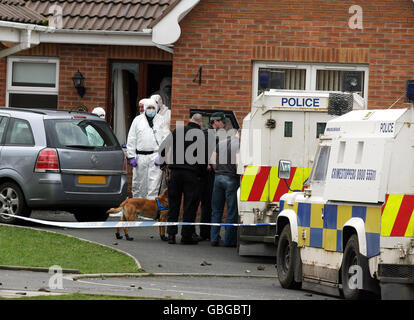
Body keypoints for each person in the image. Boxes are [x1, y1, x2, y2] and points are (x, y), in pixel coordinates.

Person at [164, 113, 205, 245]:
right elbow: (202, 158)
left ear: (189, 120)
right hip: (191, 173)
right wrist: (201, 174)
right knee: (190, 205)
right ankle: (186, 236)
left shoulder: (177, 131)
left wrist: (167, 166)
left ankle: (171, 234)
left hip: (175, 172)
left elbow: (167, 149)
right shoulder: (201, 135)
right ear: (200, 123)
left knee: (173, 204)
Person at [194, 112, 227, 241]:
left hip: (207, 173)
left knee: (207, 203)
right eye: (223, 122)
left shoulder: (208, 134)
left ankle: (205, 232)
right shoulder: (209, 135)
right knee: (208, 203)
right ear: (216, 122)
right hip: (207, 174)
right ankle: (206, 232)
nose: (224, 125)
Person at [126, 98, 168, 199]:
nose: (151, 110)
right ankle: (138, 208)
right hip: (140, 157)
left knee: (153, 186)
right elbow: (132, 138)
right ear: (145, 108)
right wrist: (131, 156)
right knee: (139, 184)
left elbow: (166, 138)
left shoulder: (161, 120)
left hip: (155, 156)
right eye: (148, 108)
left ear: (156, 108)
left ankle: (149, 212)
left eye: (153, 107)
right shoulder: (137, 120)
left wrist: (162, 155)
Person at [210, 129, 240, 247]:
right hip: (231, 179)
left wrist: (217, 169)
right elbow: (238, 163)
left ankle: (214, 238)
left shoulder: (221, 142)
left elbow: (212, 159)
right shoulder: (239, 144)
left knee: (216, 210)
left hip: (218, 178)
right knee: (232, 211)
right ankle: (229, 240)